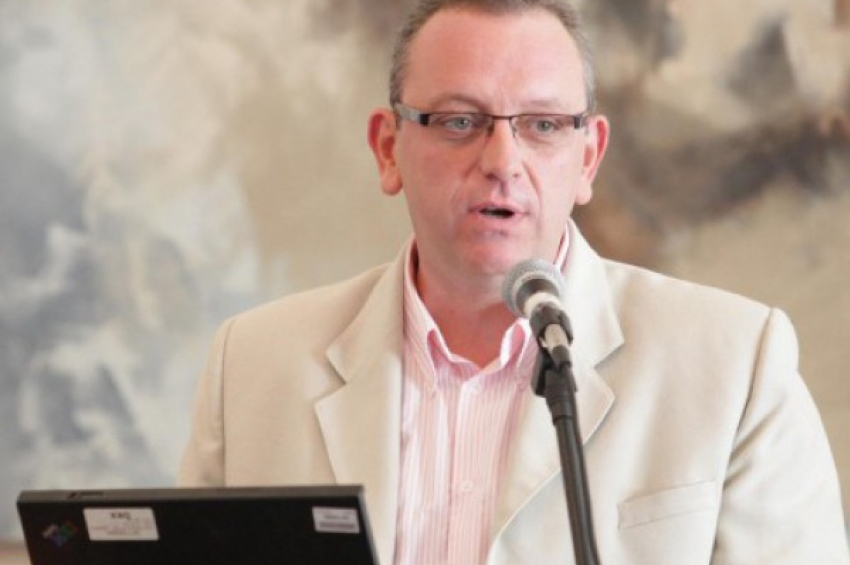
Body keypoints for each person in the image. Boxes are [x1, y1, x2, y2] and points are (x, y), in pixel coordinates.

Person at [178, 0, 850, 563]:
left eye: (543, 125)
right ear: (388, 150)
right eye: (459, 121)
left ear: (588, 158)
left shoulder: (737, 365)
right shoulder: (254, 366)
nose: (502, 161)